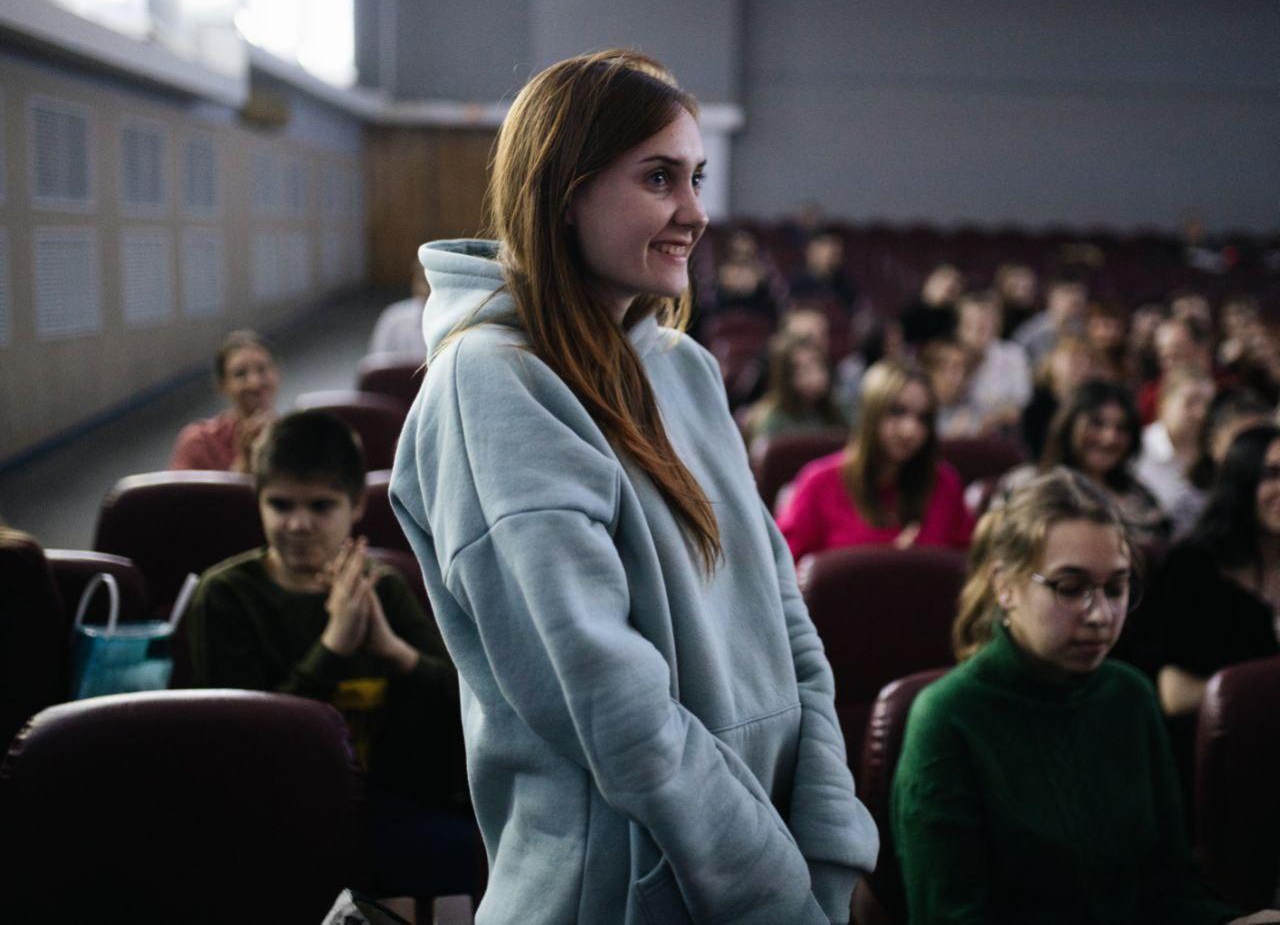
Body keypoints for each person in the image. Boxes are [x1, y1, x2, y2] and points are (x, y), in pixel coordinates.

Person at [388, 50, 877, 924]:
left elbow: (782, 609)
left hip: (765, 873)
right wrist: (772, 892)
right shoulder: (493, 383)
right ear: (564, 192)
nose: (696, 212)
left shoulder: (684, 367)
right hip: (619, 893)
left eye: (696, 177)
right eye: (658, 178)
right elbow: (615, 705)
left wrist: (827, 834)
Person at [893, 469, 1280, 925]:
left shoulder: (1129, 696)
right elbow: (952, 916)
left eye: (1116, 588)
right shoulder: (948, 717)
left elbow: (1169, 888)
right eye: (1070, 588)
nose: (1100, 615)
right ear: (1004, 585)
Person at [186, 410, 471, 901]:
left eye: (321, 506)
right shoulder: (225, 596)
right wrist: (333, 647)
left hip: (387, 805)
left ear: (356, 505)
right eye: (280, 505)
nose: (298, 525)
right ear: (258, 501)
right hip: (273, 812)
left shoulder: (382, 588)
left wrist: (392, 650)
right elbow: (245, 746)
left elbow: (462, 702)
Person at [777, 360, 973, 561]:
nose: (910, 430)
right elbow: (782, 569)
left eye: (923, 418)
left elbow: (970, 565)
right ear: (870, 414)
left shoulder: (944, 483)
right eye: (897, 411)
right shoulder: (818, 483)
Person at [1151, 424, 1280, 725]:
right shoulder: (1193, 568)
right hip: (1221, 736)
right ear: (1242, 480)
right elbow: (1175, 695)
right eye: (1272, 474)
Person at [992, 379, 1170, 545]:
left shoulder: (1141, 501)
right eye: (1097, 424)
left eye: (1121, 428)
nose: (1109, 438)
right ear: (1069, 425)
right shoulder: (1026, 485)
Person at [170, 330, 279, 472]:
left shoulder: (295, 439)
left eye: (262, 369)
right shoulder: (199, 443)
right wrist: (245, 462)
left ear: (276, 373)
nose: (254, 382)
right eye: (240, 374)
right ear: (222, 385)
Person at [1135, 368, 1217, 539]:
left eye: (1208, 405)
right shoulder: (1137, 448)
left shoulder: (1216, 454)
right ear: (1164, 403)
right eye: (1191, 402)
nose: (1201, 413)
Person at [743, 332, 848, 459]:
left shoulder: (841, 408)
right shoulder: (771, 421)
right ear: (784, 377)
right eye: (801, 369)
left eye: (817, 365)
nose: (812, 375)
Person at [954, 290, 1032, 434]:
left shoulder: (1013, 354)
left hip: (1001, 434)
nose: (978, 329)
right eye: (971, 323)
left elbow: (1016, 410)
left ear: (997, 324)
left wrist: (984, 423)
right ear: (960, 326)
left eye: (985, 323)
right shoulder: (949, 357)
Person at [1020, 334, 1099, 461]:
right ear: (1054, 362)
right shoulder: (1035, 405)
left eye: (1090, 362)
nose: (1084, 367)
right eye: (1076, 359)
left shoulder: (1096, 405)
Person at [368, 259, 431, 358]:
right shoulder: (394, 320)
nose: (428, 290)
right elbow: (377, 363)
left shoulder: (456, 323)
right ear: (414, 282)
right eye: (424, 281)